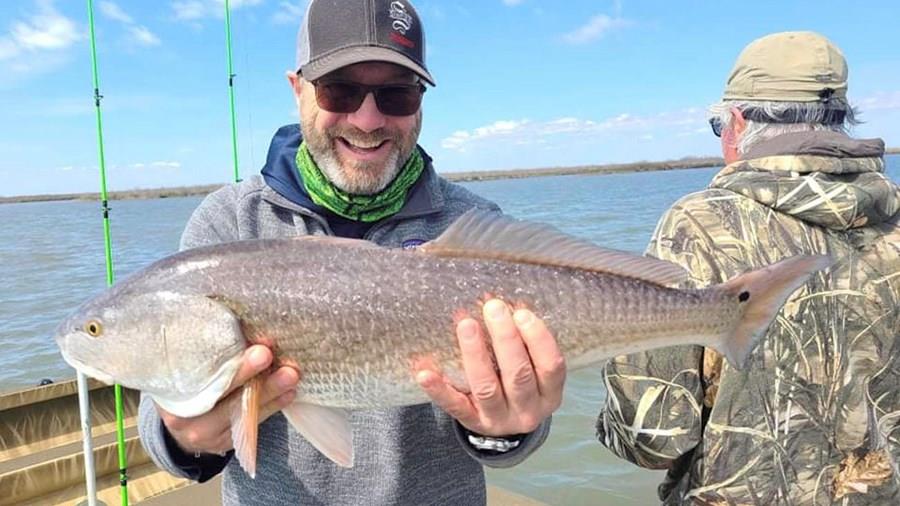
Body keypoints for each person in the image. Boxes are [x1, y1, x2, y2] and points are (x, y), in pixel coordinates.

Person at [137, 1, 565, 504]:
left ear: (421, 101)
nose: (367, 118)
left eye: (396, 94)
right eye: (339, 90)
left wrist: (506, 429)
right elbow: (163, 417)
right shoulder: (229, 222)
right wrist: (184, 436)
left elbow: (515, 433)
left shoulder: (473, 225)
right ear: (298, 90)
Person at [596, 31, 900, 505]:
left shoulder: (698, 224)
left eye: (721, 128)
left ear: (736, 123)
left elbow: (653, 437)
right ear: (842, 120)